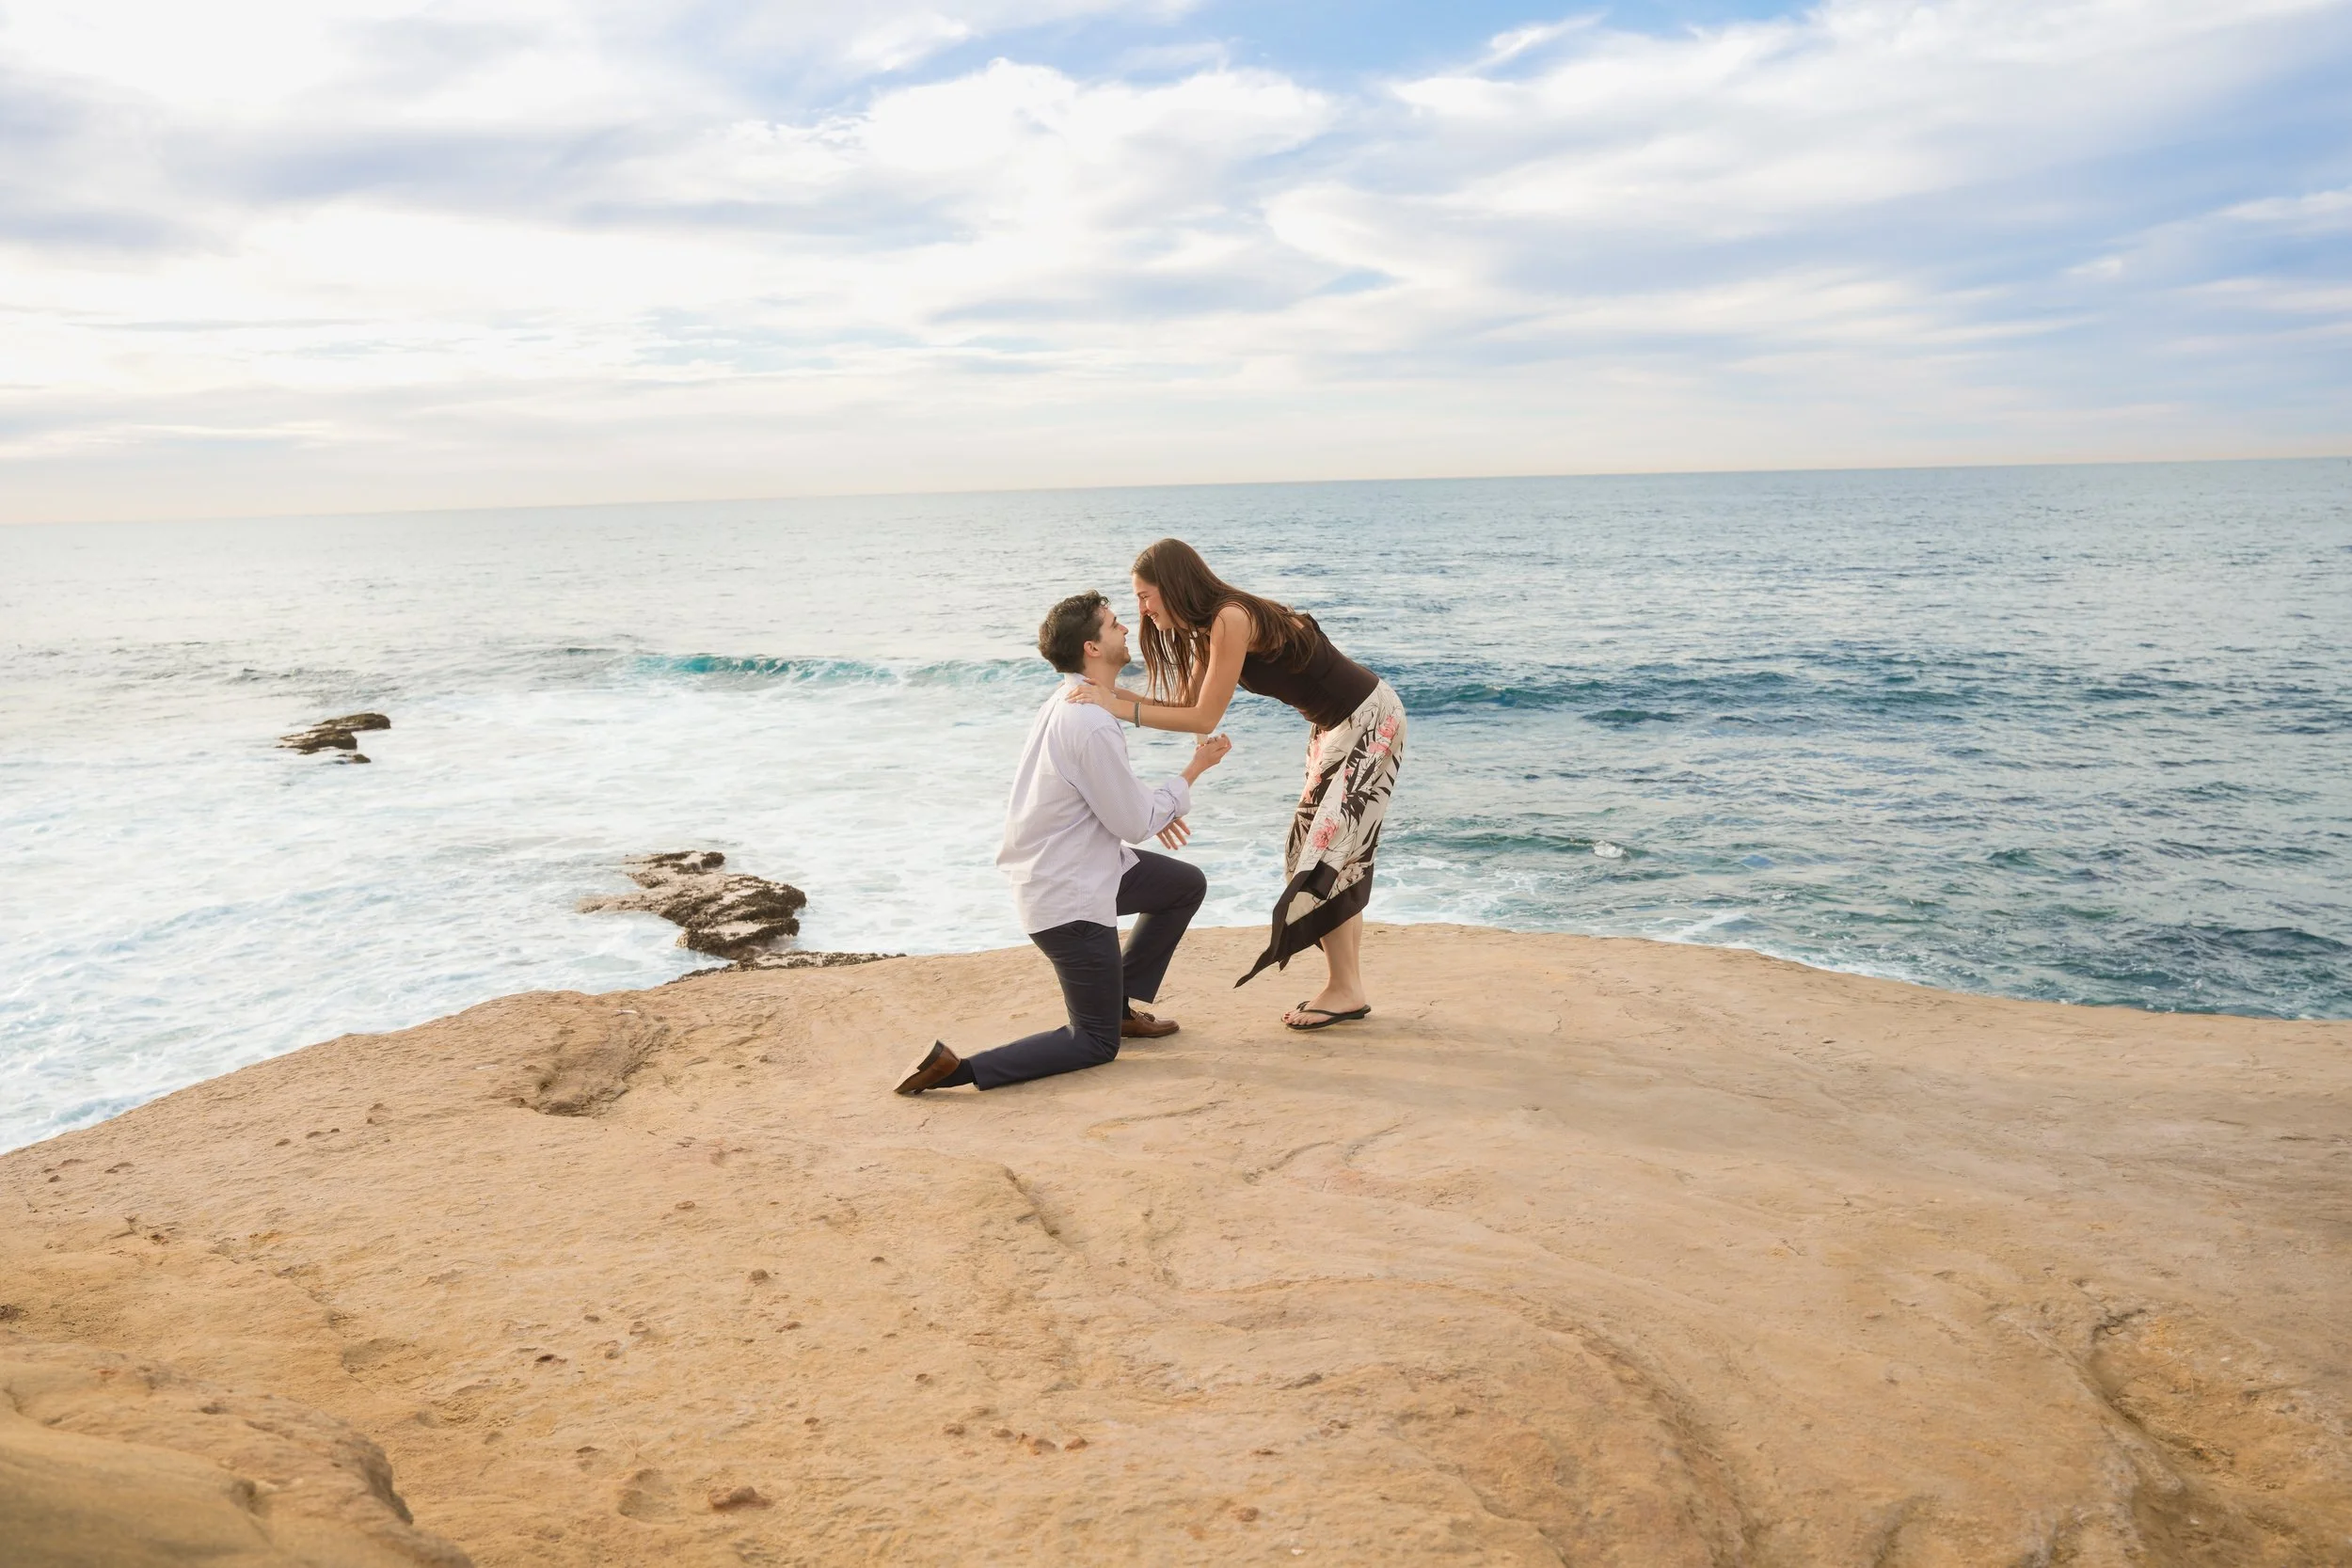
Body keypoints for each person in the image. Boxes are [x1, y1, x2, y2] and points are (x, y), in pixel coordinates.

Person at [896, 590, 1232, 1095]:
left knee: (1182, 885)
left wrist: (1150, 807)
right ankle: (958, 1069)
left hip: (1080, 869)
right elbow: (1134, 822)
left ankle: (1119, 1007)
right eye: (1114, 624)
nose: (1126, 628)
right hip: (1068, 901)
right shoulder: (1089, 719)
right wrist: (1193, 771)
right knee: (1094, 1042)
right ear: (1092, 648)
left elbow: (1110, 794)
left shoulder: (1077, 699)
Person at [1064, 538, 1404, 1031]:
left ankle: (1345, 988)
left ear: (1173, 586)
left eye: (1145, 596)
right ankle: (1346, 986)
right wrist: (1111, 692)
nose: (1142, 609)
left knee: (1320, 852)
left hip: (1368, 721)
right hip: (1336, 727)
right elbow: (1187, 706)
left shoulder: (1230, 618)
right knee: (1326, 854)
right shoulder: (1212, 628)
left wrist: (1115, 706)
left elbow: (1205, 716)